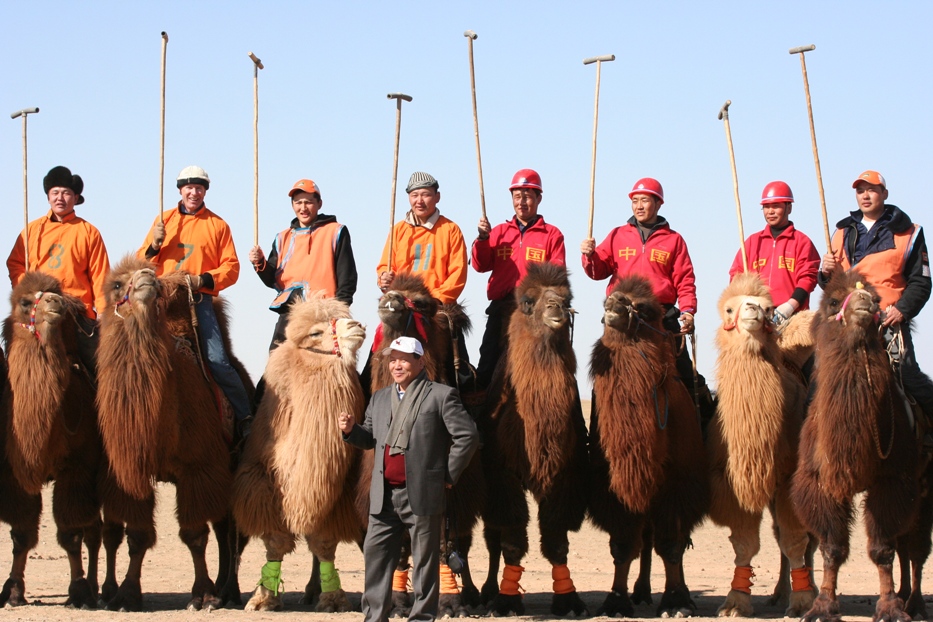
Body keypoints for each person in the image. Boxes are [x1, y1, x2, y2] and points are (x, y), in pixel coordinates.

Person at [338, 336, 479, 622]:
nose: (396, 365)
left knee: (425, 564)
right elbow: (369, 439)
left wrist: (448, 475)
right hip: (384, 495)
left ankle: (422, 618)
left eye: (403, 359)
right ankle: (374, 617)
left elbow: (468, 436)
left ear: (419, 362)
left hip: (422, 492)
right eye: (392, 359)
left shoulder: (440, 395)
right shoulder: (379, 398)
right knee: (375, 559)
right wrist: (351, 430)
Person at [580, 177, 712, 417]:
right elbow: (597, 271)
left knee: (687, 373)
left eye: (645, 200)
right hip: (622, 316)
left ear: (658, 204)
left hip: (660, 315)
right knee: (603, 371)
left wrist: (688, 311)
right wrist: (589, 256)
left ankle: (705, 432)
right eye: (635, 201)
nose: (639, 206)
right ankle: (597, 437)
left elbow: (685, 279)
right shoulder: (618, 235)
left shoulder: (674, 240)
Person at [138, 165, 253, 433]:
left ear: (205, 191)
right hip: (162, 299)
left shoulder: (218, 225)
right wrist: (154, 245)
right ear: (180, 190)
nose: (194, 192)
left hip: (197, 298)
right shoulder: (163, 221)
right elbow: (139, 264)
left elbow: (232, 267)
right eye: (189, 187)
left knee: (218, 360)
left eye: (199, 188)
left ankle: (245, 418)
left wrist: (202, 280)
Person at [819, 170, 933, 423]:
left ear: (884, 193)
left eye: (871, 189)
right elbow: (833, 287)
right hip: (848, 321)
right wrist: (825, 273)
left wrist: (902, 310)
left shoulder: (910, 232)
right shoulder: (842, 231)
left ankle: (927, 440)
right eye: (860, 190)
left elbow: (921, 281)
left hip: (887, 319)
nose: (865, 195)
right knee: (818, 384)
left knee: (908, 375)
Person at [7, 165, 110, 376]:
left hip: (77, 311)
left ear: (75, 198)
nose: (60, 198)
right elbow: (15, 263)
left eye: (66, 193)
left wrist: (104, 313)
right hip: (38, 307)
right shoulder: (32, 230)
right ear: (48, 197)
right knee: (13, 359)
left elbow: (101, 276)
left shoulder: (89, 232)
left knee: (101, 366)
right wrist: (28, 288)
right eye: (55, 193)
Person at [472, 168, 565, 388]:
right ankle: (478, 417)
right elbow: (480, 265)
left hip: (536, 312)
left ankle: (573, 419)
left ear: (538, 198)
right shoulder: (499, 232)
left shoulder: (552, 234)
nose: (521, 202)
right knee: (486, 363)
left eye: (527, 196)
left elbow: (557, 275)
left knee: (559, 365)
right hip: (501, 307)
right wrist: (482, 239)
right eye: (517, 196)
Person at [248, 178, 357, 351]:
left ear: (319, 204)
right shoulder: (282, 237)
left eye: (308, 202)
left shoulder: (336, 231)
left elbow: (347, 275)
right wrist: (259, 263)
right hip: (290, 310)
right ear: (292, 205)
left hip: (324, 310)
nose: (303, 207)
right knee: (275, 363)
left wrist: (340, 310)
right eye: (298, 202)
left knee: (335, 366)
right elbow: (271, 280)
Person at [729, 181, 821, 325]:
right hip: (756, 317)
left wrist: (790, 306)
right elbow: (736, 275)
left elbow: (808, 279)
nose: (770, 211)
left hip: (792, 317)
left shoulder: (802, 242)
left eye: (776, 206)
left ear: (789, 208)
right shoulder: (752, 242)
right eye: (766, 207)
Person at [376, 172, 467, 305]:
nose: (419, 201)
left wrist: (435, 299)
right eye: (414, 195)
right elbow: (386, 265)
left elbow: (457, 273)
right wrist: (384, 277)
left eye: (426, 195)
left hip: (437, 304)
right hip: (402, 303)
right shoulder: (398, 229)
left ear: (437, 197)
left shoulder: (451, 229)